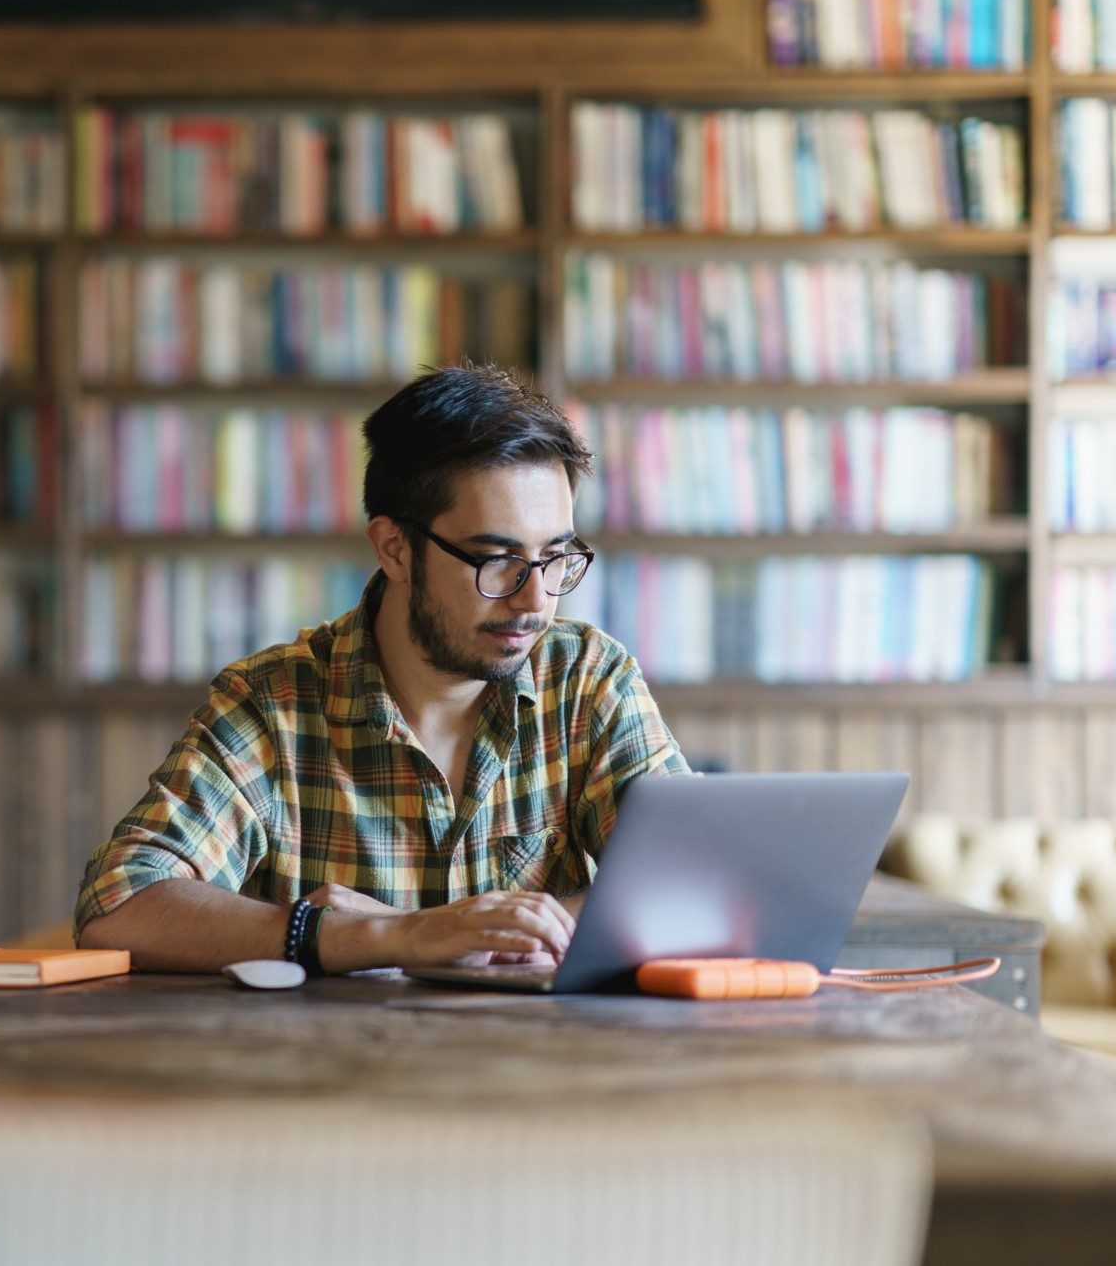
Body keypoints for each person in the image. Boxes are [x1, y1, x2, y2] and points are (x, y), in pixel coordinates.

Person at [75, 363, 689, 975]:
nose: (536, 601)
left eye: (555, 557)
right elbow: (119, 905)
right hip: (334, 1068)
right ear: (395, 548)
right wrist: (377, 937)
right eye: (496, 561)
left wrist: (496, 934)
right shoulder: (273, 705)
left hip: (546, 1066)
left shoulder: (588, 680)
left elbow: (698, 885)